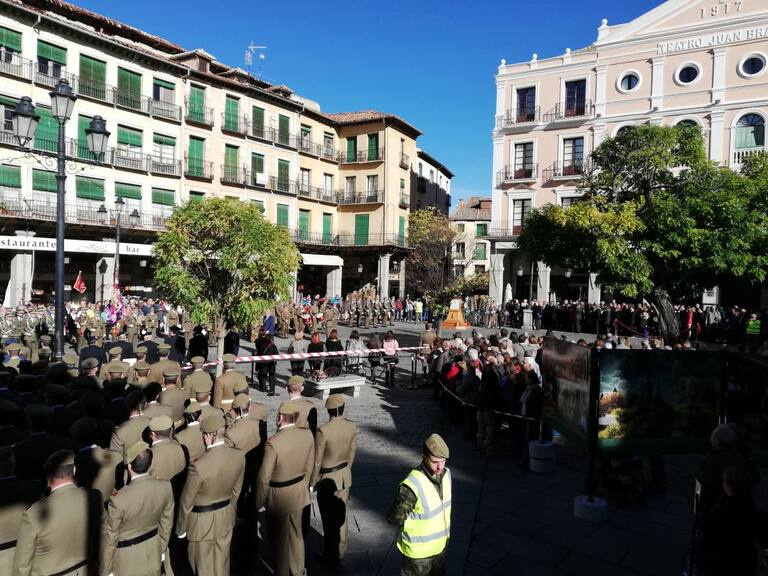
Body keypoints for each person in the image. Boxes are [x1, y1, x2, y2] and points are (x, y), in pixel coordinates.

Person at [176, 412, 245, 576]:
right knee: (222, 567)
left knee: (203, 569)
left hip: (201, 524)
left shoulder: (198, 466)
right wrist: (229, 509)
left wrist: (181, 529)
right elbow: (237, 490)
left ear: (209, 435)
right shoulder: (239, 455)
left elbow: (186, 502)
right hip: (225, 517)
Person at [14, 450, 100, 576]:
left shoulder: (32, 515)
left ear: (48, 477)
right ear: (74, 470)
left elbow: (22, 566)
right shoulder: (94, 497)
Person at [256, 402, 315, 576]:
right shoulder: (307, 435)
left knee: (279, 540)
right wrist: (304, 486)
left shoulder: (273, 443)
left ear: (281, 418)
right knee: (296, 534)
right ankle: (298, 570)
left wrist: (259, 501)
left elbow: (264, 477)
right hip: (298, 492)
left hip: (278, 497)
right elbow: (310, 464)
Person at [102, 441, 175, 576]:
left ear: (129, 467)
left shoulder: (118, 500)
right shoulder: (165, 487)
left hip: (127, 561)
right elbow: (167, 523)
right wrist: (162, 549)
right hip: (153, 550)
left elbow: (110, 538)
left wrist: (106, 571)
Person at [387, 434, 452, 576]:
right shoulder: (412, 484)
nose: (440, 467)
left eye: (443, 461)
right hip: (418, 557)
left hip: (440, 549)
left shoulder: (447, 475)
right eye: (435, 462)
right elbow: (395, 518)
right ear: (425, 457)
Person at [311, 394, 358, 564]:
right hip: (344, 474)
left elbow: (317, 460)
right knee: (342, 513)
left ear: (329, 410)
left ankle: (330, 553)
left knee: (328, 517)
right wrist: (346, 469)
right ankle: (341, 549)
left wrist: (313, 481)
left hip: (327, 477)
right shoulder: (352, 426)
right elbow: (352, 451)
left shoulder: (323, 430)